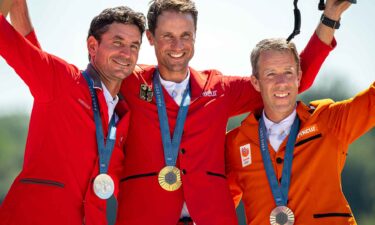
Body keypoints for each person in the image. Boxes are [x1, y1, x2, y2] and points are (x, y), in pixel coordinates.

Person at [115, 0, 351, 224]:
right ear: (150, 37)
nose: (178, 46)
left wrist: (330, 18)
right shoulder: (129, 81)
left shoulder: (219, 89)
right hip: (142, 216)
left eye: (185, 35)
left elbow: (290, 81)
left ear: (195, 36)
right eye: (168, 36)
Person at [0, 2, 145, 225]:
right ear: (93, 46)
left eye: (134, 46)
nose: (127, 54)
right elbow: (11, 42)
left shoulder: (123, 114)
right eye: (118, 43)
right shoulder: (62, 81)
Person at [225, 36, 370, 224]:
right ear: (255, 82)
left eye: (288, 72)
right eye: (270, 74)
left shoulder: (329, 120)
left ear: (299, 77)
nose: (281, 82)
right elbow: (220, 206)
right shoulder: (236, 143)